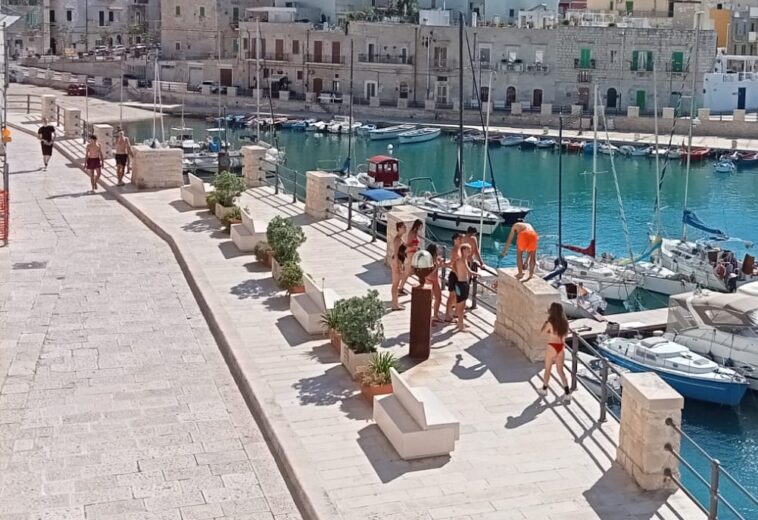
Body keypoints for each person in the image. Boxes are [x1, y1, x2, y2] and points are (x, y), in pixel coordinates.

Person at [539, 302, 571, 402]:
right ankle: (567, 393)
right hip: (561, 347)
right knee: (560, 371)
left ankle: (544, 389)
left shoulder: (550, 322)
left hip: (552, 346)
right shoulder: (565, 322)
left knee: (548, 368)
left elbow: (542, 333)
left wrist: (545, 323)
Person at [452, 244, 477, 332]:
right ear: (464, 250)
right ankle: (461, 325)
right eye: (468, 249)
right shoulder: (463, 260)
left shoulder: (460, 260)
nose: (470, 251)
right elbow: (469, 271)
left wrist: (458, 274)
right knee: (461, 306)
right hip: (462, 284)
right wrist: (477, 274)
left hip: (460, 283)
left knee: (460, 305)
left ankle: (460, 323)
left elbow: (453, 267)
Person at [444, 233, 464, 322]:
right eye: (460, 239)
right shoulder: (455, 250)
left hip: (458, 275)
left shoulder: (459, 249)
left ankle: (456, 312)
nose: (461, 241)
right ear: (455, 239)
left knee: (456, 295)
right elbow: (452, 264)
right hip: (455, 275)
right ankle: (447, 315)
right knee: (451, 296)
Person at [399, 219, 423, 291]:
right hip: (410, 254)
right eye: (421, 226)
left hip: (414, 254)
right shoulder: (412, 233)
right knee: (407, 272)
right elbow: (408, 244)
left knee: (416, 270)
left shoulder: (415, 233)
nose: (421, 228)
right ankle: (400, 287)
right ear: (418, 225)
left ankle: (421, 284)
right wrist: (415, 245)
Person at [390, 222, 407, 311]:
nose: (405, 228)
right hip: (397, 261)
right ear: (399, 228)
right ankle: (394, 304)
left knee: (396, 283)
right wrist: (398, 264)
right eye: (403, 227)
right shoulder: (397, 239)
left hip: (400, 261)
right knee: (395, 284)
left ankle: (396, 302)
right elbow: (396, 253)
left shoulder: (400, 238)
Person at [425, 243, 444, 323]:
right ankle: (428, 318)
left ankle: (435, 315)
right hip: (430, 279)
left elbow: (442, 265)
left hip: (435, 280)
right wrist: (438, 266)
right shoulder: (428, 259)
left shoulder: (436, 258)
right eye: (437, 249)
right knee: (429, 299)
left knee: (438, 298)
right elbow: (430, 272)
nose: (438, 250)